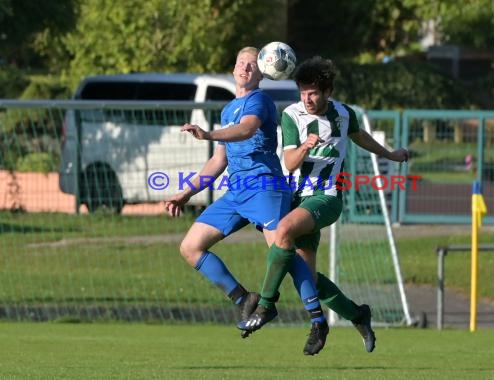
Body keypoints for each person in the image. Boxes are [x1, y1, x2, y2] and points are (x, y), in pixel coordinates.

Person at [238, 56, 409, 354]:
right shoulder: (292, 115)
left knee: (284, 231)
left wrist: (390, 154)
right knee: (309, 280)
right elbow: (289, 163)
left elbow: (360, 137)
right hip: (296, 199)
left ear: (328, 91)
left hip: (327, 199)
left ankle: (265, 306)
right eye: (303, 92)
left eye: (313, 92)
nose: (307, 99)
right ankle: (357, 314)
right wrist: (305, 146)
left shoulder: (344, 114)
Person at [164, 47, 324, 341]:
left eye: (252, 65)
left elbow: (247, 129)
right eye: (241, 63)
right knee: (190, 247)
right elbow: (217, 162)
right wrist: (184, 194)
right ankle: (244, 300)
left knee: (282, 252)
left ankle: (317, 318)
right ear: (233, 68)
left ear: (262, 72)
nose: (245, 68)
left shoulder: (260, 100)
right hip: (236, 193)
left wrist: (208, 133)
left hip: (264, 186)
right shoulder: (227, 109)